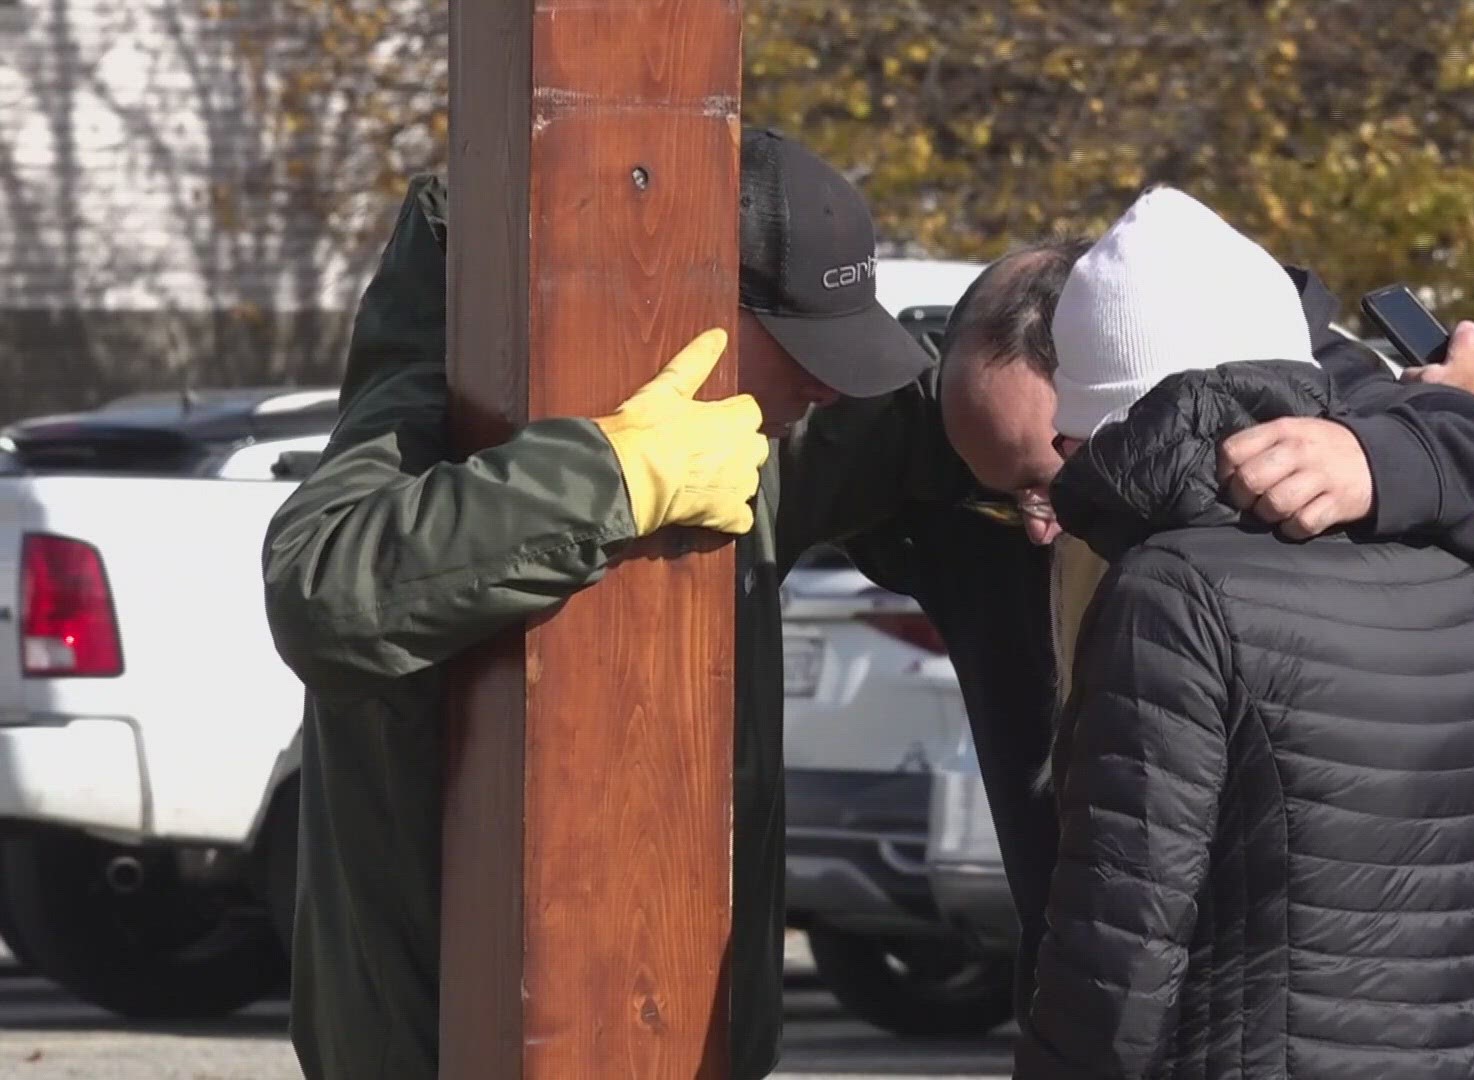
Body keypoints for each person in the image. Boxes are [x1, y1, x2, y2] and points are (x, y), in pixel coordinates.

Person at [261, 129, 973, 1080]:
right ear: (682, 301)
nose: (825, 383)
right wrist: (614, 476)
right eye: (802, 345)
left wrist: (1222, 412)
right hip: (437, 1050)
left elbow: (983, 391)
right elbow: (325, 587)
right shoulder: (464, 382)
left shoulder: (755, 423)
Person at [934, 213, 1474, 1077]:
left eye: (1057, 473)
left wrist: (1460, 438)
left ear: (1118, 411)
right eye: (1008, 498)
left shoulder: (1347, 500)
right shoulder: (1414, 506)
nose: (1045, 525)